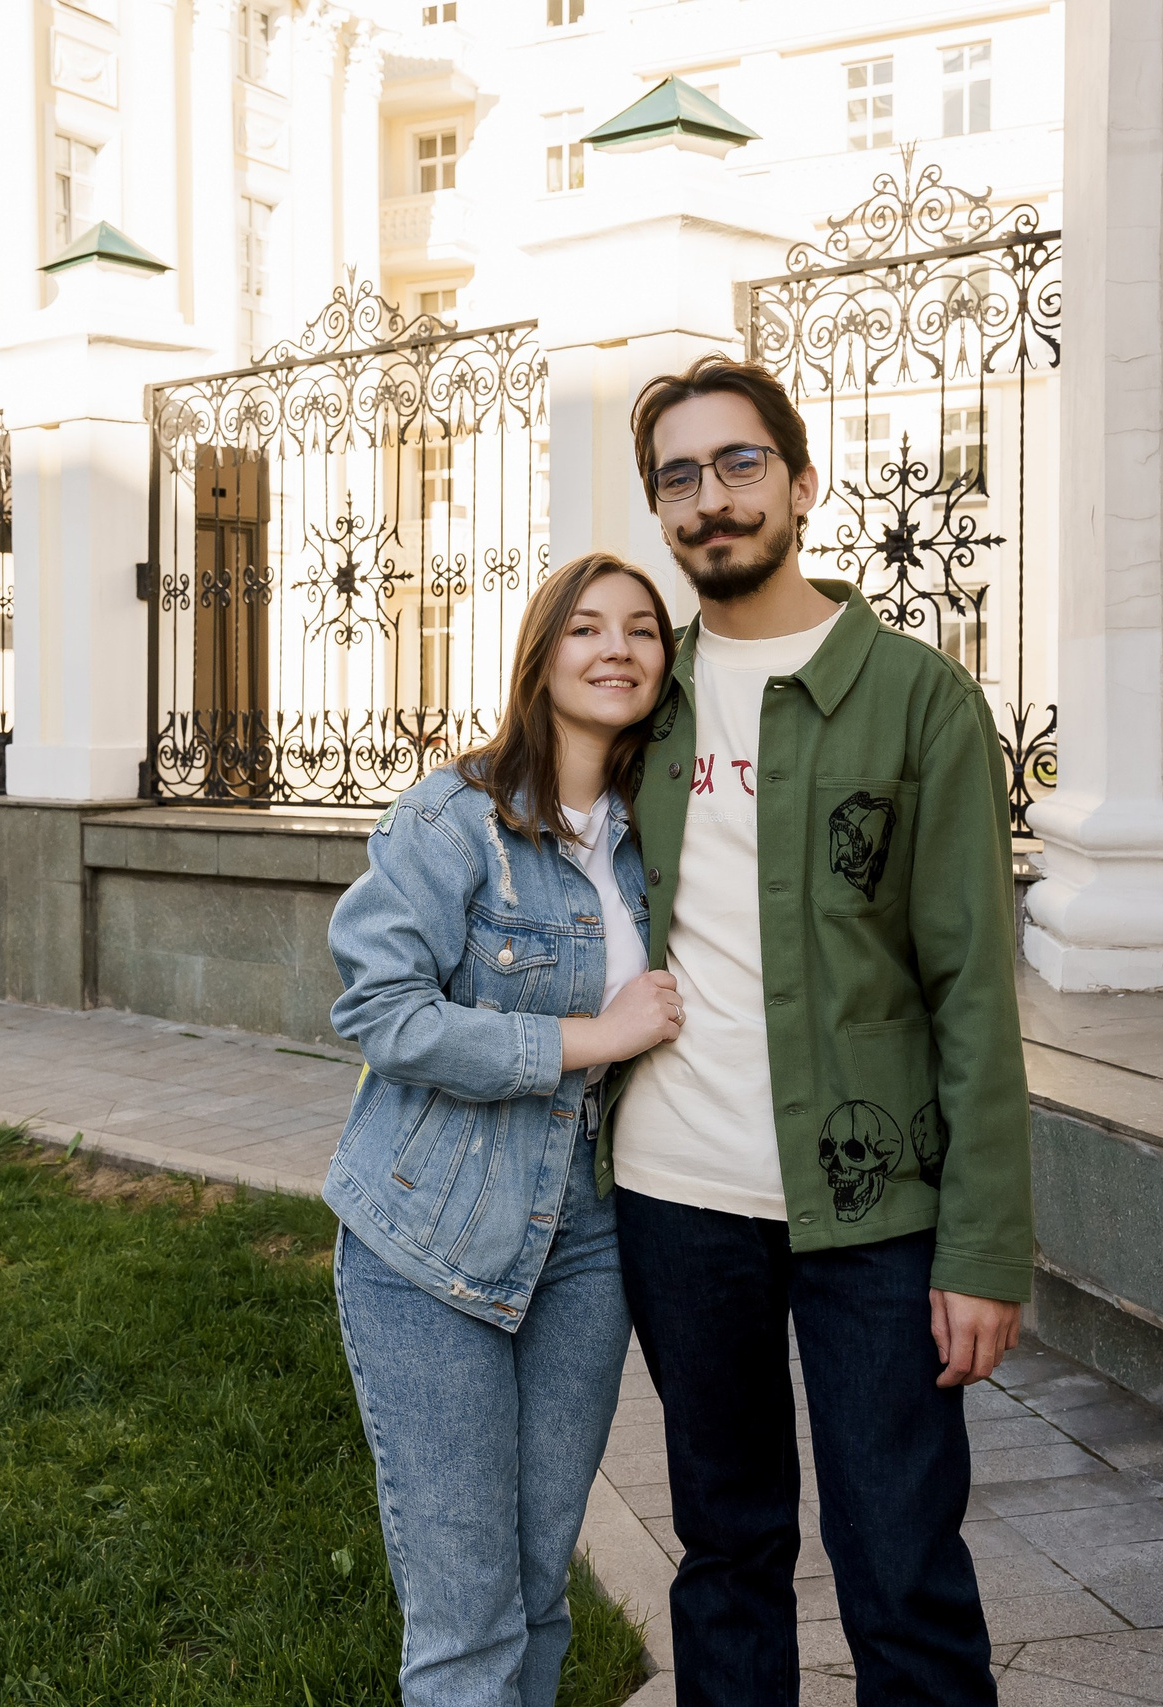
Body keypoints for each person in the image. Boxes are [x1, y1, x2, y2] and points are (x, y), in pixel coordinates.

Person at [602, 354, 1033, 1705]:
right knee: (726, 1550)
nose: (712, 499)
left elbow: (972, 987)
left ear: (800, 479)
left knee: (900, 1560)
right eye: (680, 476)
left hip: (877, 1209)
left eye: (740, 464)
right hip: (677, 1197)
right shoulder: (637, 700)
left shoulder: (917, 699)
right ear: (659, 509)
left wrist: (984, 1245)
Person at [326, 552, 684, 1707]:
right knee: (466, 1612)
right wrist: (591, 1037)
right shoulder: (452, 819)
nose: (617, 647)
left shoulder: (652, 840)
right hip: (427, 1238)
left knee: (537, 1585)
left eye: (642, 629)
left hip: (586, 1241)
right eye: (587, 628)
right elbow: (381, 1013)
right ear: (541, 655)